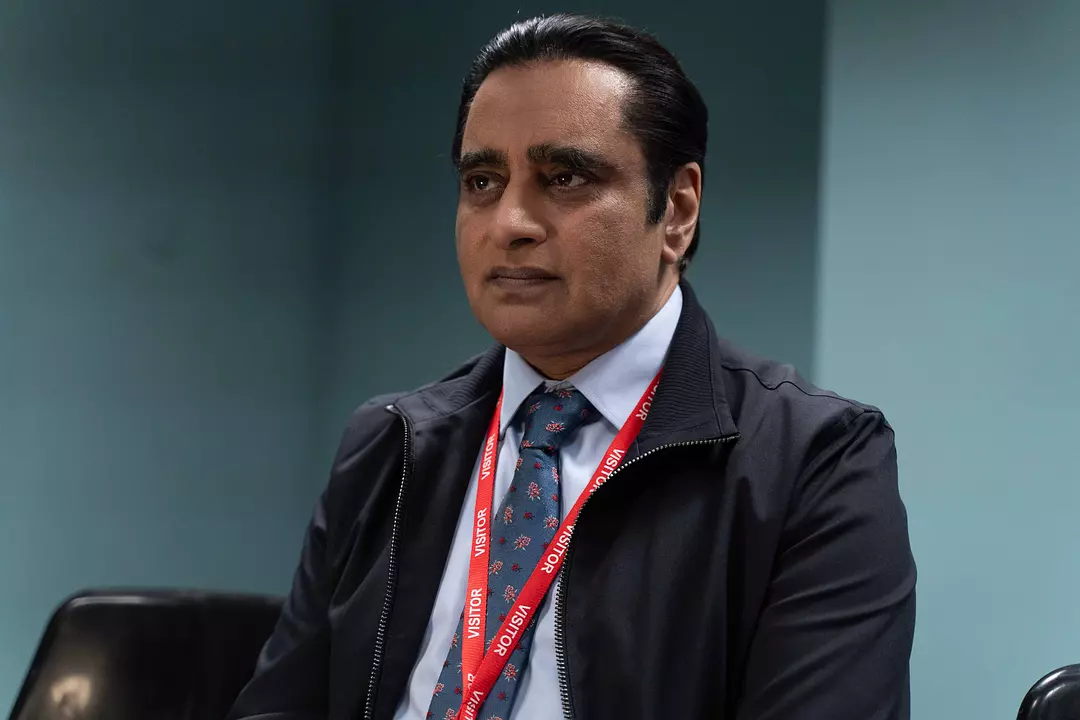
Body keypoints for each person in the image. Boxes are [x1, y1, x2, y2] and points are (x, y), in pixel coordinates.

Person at [228, 13, 915, 720]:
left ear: (677, 209)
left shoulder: (815, 462)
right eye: (483, 181)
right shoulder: (390, 443)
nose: (510, 223)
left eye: (564, 177)